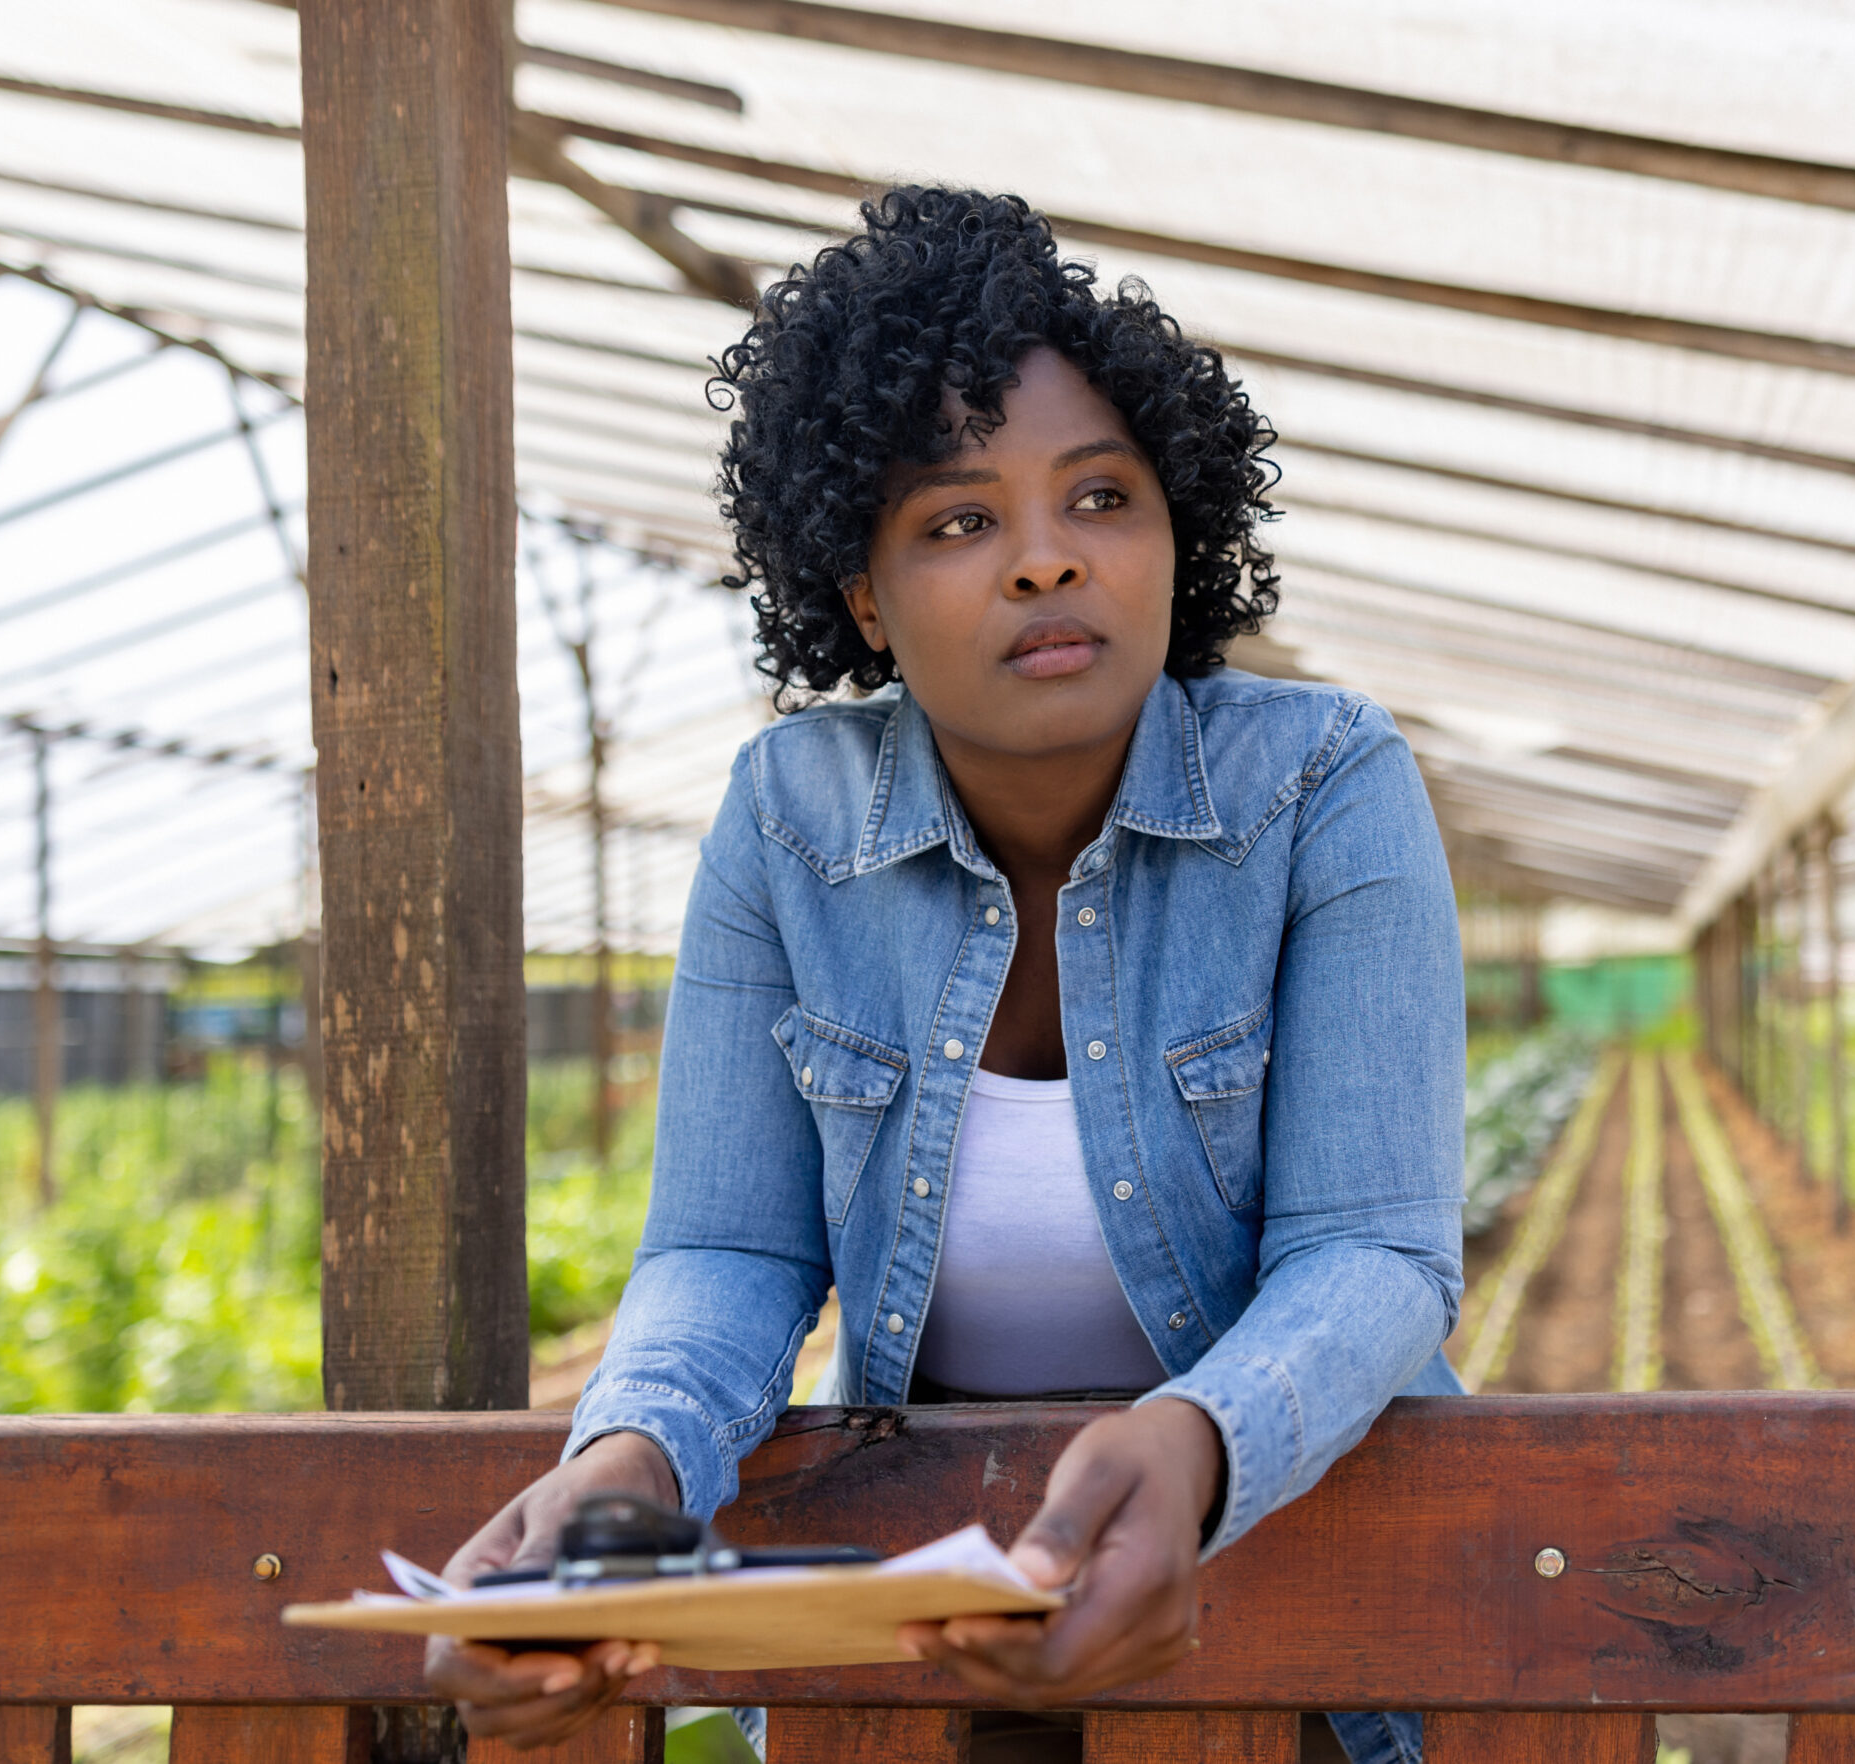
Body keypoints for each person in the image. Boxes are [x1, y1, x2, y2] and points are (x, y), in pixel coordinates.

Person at [425, 187, 1466, 1764]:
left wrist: (1194, 1443)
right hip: (928, 1639)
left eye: (1103, 499)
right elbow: (725, 1245)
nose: (1047, 564)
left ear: (1181, 532)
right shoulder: (791, 820)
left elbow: (1374, 1252)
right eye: (960, 522)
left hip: (1294, 1620)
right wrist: (627, 1461)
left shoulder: (1321, 782)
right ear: (863, 594)